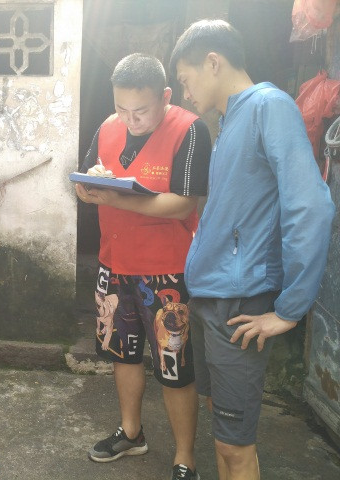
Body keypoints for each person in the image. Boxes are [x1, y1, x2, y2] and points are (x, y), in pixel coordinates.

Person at [169, 19, 335, 480]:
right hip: (211, 297)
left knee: (234, 445)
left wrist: (289, 310)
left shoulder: (268, 106)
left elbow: (310, 206)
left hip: (238, 304)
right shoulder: (230, 120)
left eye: (186, 79)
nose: (185, 93)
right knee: (224, 430)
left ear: (213, 62)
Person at [76, 53, 212, 480]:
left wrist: (117, 199)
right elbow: (84, 180)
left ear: (166, 96)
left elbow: (184, 203)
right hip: (113, 263)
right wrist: (90, 186)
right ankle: (131, 432)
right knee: (123, 353)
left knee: (174, 366)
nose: (130, 120)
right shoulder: (107, 127)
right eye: (121, 108)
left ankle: (184, 458)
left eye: (142, 111)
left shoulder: (190, 130)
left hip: (166, 271)